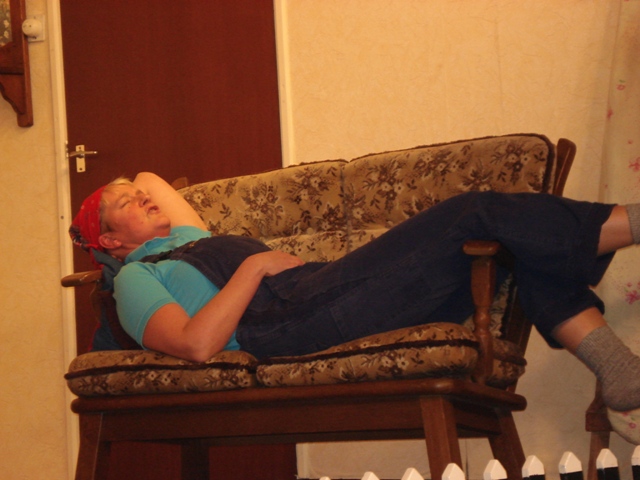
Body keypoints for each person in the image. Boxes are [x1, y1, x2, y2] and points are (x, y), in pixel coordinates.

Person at [70, 172, 640, 412]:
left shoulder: (190, 238)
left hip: (314, 292)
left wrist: (128, 192)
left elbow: (149, 178)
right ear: (111, 242)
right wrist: (255, 267)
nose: (142, 197)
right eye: (125, 205)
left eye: (137, 196)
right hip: (287, 319)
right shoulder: (135, 280)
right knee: (474, 210)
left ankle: (611, 364)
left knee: (516, 239)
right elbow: (196, 344)